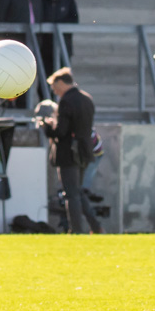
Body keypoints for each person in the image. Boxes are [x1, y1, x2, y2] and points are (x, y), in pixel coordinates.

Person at [41, 67, 100, 235]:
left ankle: (77, 230)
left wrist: (47, 127)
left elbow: (61, 132)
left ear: (60, 83)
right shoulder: (87, 99)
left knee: (71, 194)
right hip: (84, 151)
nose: (54, 91)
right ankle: (95, 226)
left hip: (69, 154)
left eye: (54, 87)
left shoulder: (66, 101)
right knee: (78, 191)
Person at [39, 0, 78, 73]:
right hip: (46, 49)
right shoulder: (42, 1)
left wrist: (57, 26)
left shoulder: (69, 1)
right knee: (45, 79)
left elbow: (74, 20)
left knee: (63, 79)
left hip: (63, 48)